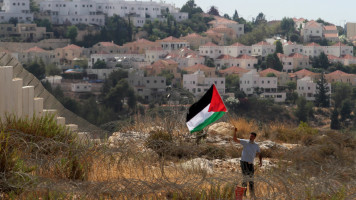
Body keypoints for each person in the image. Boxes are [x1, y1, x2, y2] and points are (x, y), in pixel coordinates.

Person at [233, 128, 262, 198]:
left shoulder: (256, 145)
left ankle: (252, 195)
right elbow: (235, 140)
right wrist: (235, 132)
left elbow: (259, 153)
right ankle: (244, 194)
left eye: (252, 136)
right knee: (245, 178)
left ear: (254, 137)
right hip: (244, 162)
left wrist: (261, 161)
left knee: (251, 179)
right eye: (250, 136)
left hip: (250, 163)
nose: (250, 137)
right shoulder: (245, 142)